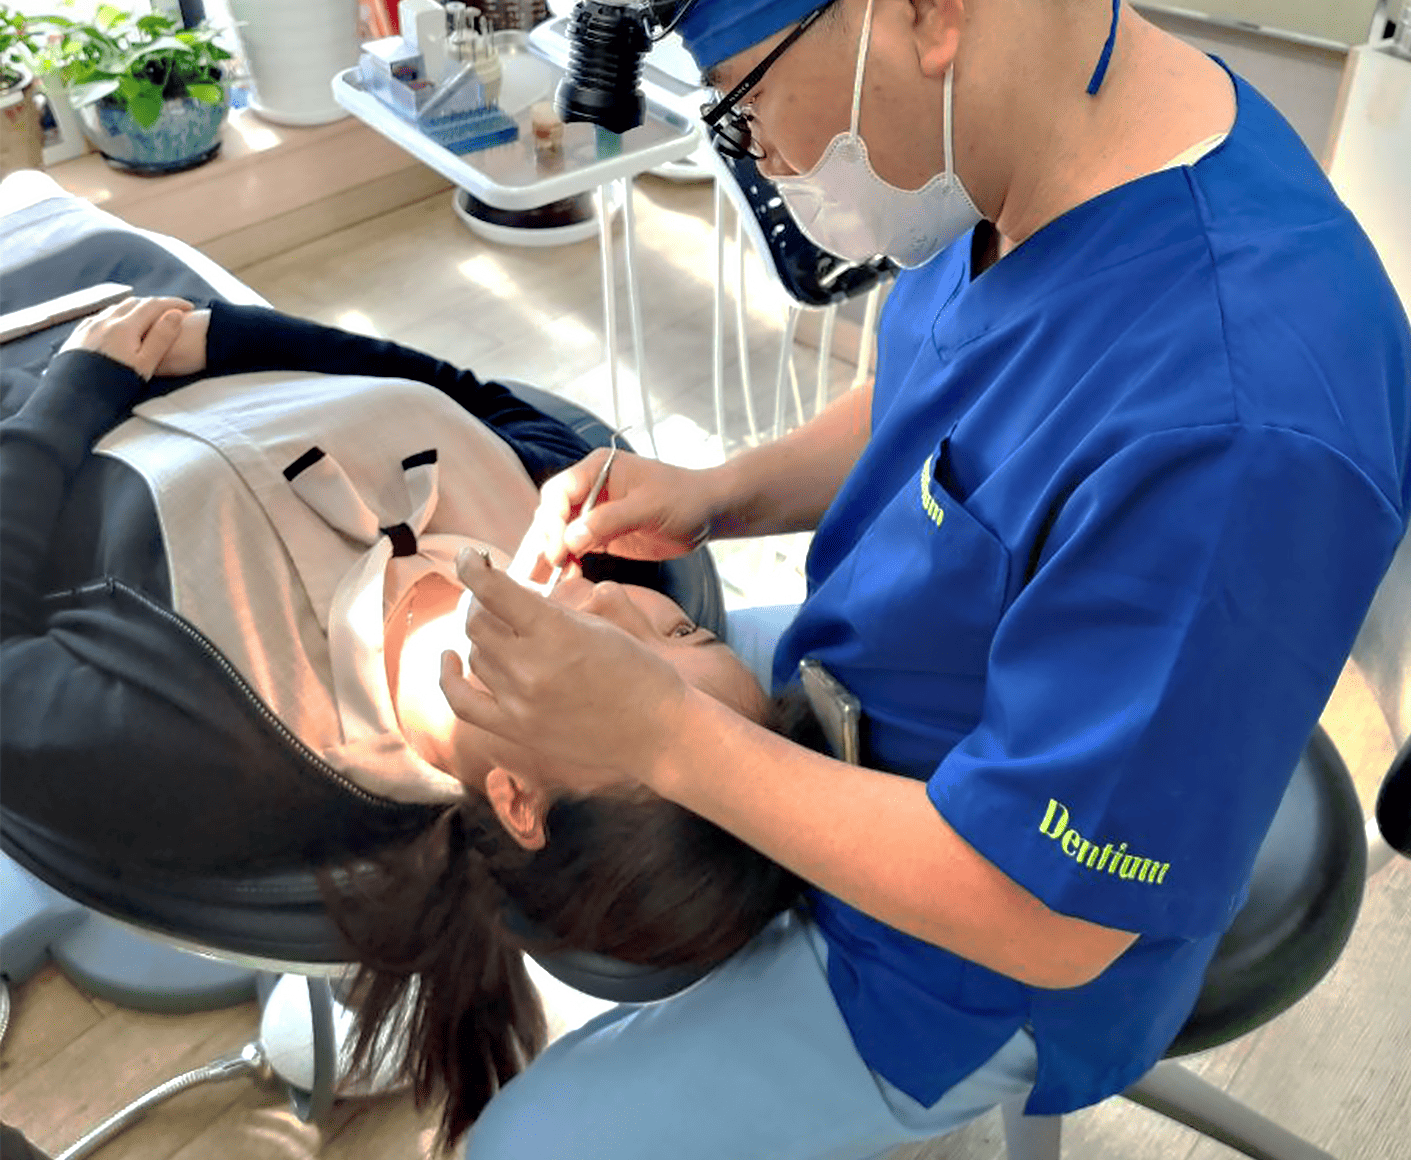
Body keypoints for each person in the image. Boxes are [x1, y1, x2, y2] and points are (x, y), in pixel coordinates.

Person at [439, 0, 1411, 1160]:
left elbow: (1046, 918)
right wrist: (718, 492)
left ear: (918, 7)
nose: (766, 158)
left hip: (991, 943)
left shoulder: (1237, 422)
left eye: (749, 105)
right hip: (894, 692)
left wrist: (669, 738)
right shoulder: (1054, 140)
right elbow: (946, 400)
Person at [0, 293, 819, 1151]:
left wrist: (80, 385)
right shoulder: (578, 534)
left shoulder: (199, 740)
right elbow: (463, 391)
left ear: (518, 800)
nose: (621, 605)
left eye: (636, 684)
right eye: (681, 632)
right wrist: (225, 336)